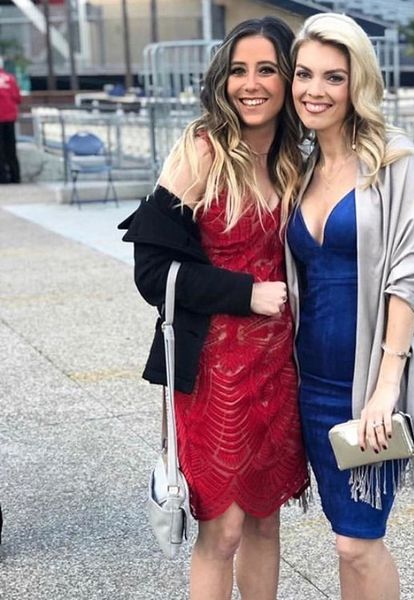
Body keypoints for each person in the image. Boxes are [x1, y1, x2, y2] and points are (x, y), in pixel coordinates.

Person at [118, 17, 309, 600]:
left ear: (288, 80)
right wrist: (244, 292)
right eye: (238, 70)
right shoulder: (202, 151)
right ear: (222, 79)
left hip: (281, 372)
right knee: (222, 531)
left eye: (267, 69)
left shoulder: (295, 161)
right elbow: (151, 272)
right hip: (213, 375)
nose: (250, 84)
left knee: (265, 522)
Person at [285, 13, 414, 599]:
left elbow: (413, 274)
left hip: (367, 382)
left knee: (358, 542)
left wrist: (386, 386)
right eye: (304, 74)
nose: (315, 90)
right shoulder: (300, 167)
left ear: (357, 82)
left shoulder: (392, 160)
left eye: (333, 77)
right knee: (345, 534)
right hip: (309, 383)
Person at [0, 56, 22, 184]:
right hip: (10, 117)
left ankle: (2, 177)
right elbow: (18, 98)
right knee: (11, 148)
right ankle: (15, 176)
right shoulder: (10, 79)